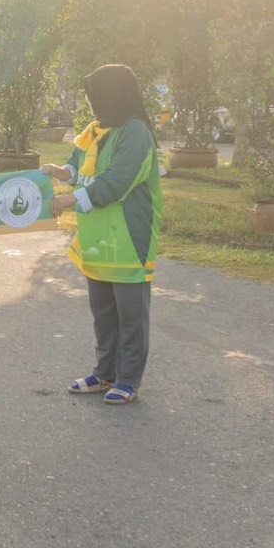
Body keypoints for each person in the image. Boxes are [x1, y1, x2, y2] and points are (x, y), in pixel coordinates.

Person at [43, 64, 163, 405]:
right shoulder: (95, 131)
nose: (90, 102)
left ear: (111, 94)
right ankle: (104, 373)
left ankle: (128, 379)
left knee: (131, 315)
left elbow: (118, 182)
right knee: (103, 312)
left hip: (129, 241)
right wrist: (60, 172)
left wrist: (70, 200)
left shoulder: (135, 132)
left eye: (93, 94)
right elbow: (78, 165)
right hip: (96, 240)